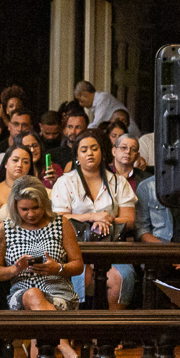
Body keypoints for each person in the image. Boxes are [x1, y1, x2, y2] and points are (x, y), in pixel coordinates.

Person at [0, 179, 94, 358]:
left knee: (40, 325)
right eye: (24, 209)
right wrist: (16, 269)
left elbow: (78, 265)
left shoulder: (60, 223)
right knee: (32, 294)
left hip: (59, 291)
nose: (30, 214)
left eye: (36, 207)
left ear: (44, 204)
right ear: (15, 206)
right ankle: (67, 351)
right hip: (22, 293)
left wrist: (57, 268)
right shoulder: (5, 229)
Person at [50, 128, 136, 308]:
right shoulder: (65, 182)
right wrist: (91, 217)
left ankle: (109, 333)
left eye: (94, 148)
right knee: (79, 275)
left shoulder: (118, 182)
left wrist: (105, 219)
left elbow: (129, 219)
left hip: (111, 248)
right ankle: (75, 332)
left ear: (102, 152)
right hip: (74, 249)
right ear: (77, 156)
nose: (90, 153)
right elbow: (59, 218)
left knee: (123, 277)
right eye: (84, 150)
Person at [0, 143, 36, 218]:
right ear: (5, 163)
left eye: (25, 162)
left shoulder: (38, 191)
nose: (20, 165)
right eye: (15, 160)